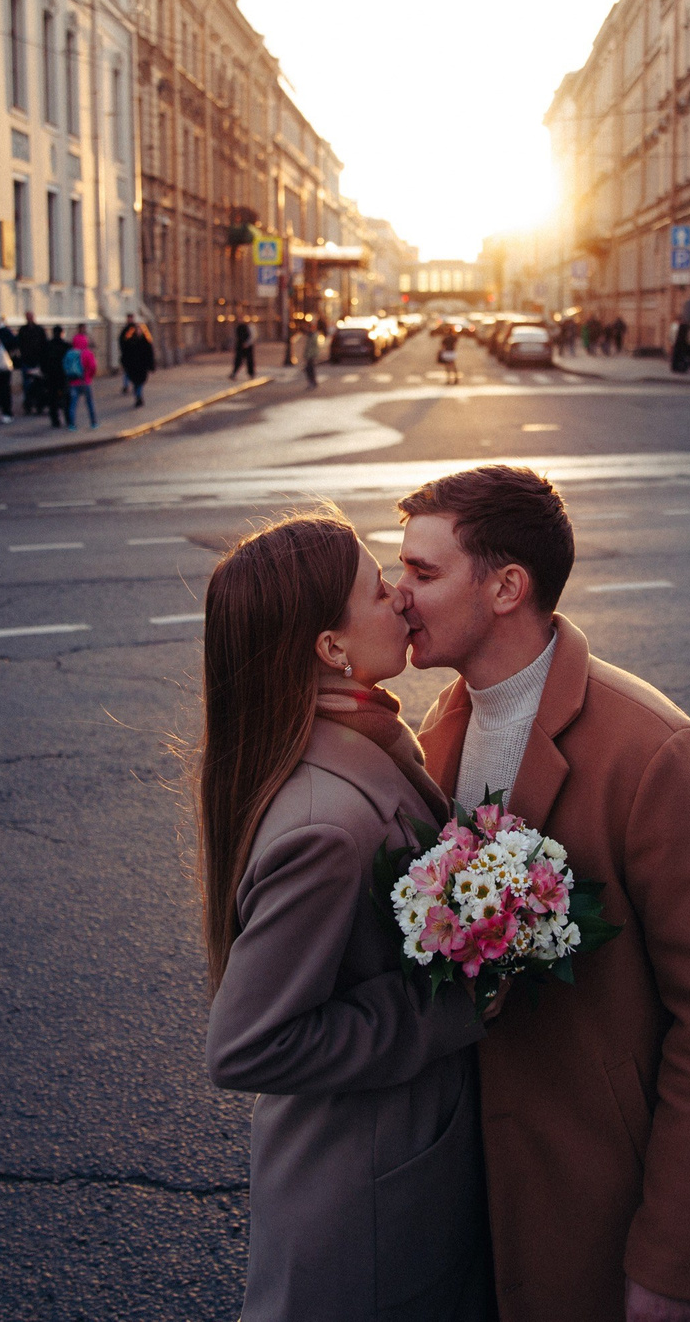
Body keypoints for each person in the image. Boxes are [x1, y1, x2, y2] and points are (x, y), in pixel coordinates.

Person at [392, 465, 690, 1322]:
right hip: (481, 1206)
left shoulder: (655, 751)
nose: (395, 591)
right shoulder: (438, 731)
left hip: (608, 1203)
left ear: (506, 587)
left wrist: (672, 1262)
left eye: (422, 572)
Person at [199, 512, 492, 1321]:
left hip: (386, 1177)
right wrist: (459, 994)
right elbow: (247, 1042)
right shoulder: (327, 823)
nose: (400, 596)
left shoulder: (352, 737)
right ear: (330, 648)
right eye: (376, 587)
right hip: (365, 1215)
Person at [66, 325, 100, 429]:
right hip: (85, 381)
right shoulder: (87, 353)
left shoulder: (70, 353)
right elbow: (93, 367)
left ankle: (71, 424)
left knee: (73, 404)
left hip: (73, 382)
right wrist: (89, 377)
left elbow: (66, 366)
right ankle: (93, 423)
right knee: (89, 403)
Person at [120, 315, 156, 407]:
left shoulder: (145, 341)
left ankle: (138, 396)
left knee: (140, 382)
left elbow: (150, 353)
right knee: (136, 382)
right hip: (133, 366)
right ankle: (138, 396)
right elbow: (123, 343)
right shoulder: (131, 340)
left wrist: (151, 364)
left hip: (142, 366)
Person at [17, 318, 49, 420]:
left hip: (36, 361)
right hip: (28, 361)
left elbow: (44, 344)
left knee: (37, 385)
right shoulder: (23, 330)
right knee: (29, 385)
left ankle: (35, 405)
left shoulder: (38, 330)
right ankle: (30, 405)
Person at [42, 322, 73, 427]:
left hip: (51, 377)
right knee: (66, 399)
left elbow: (43, 362)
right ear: (61, 333)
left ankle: (55, 420)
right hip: (63, 376)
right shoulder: (66, 346)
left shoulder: (48, 346)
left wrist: (45, 373)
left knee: (52, 400)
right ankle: (68, 419)